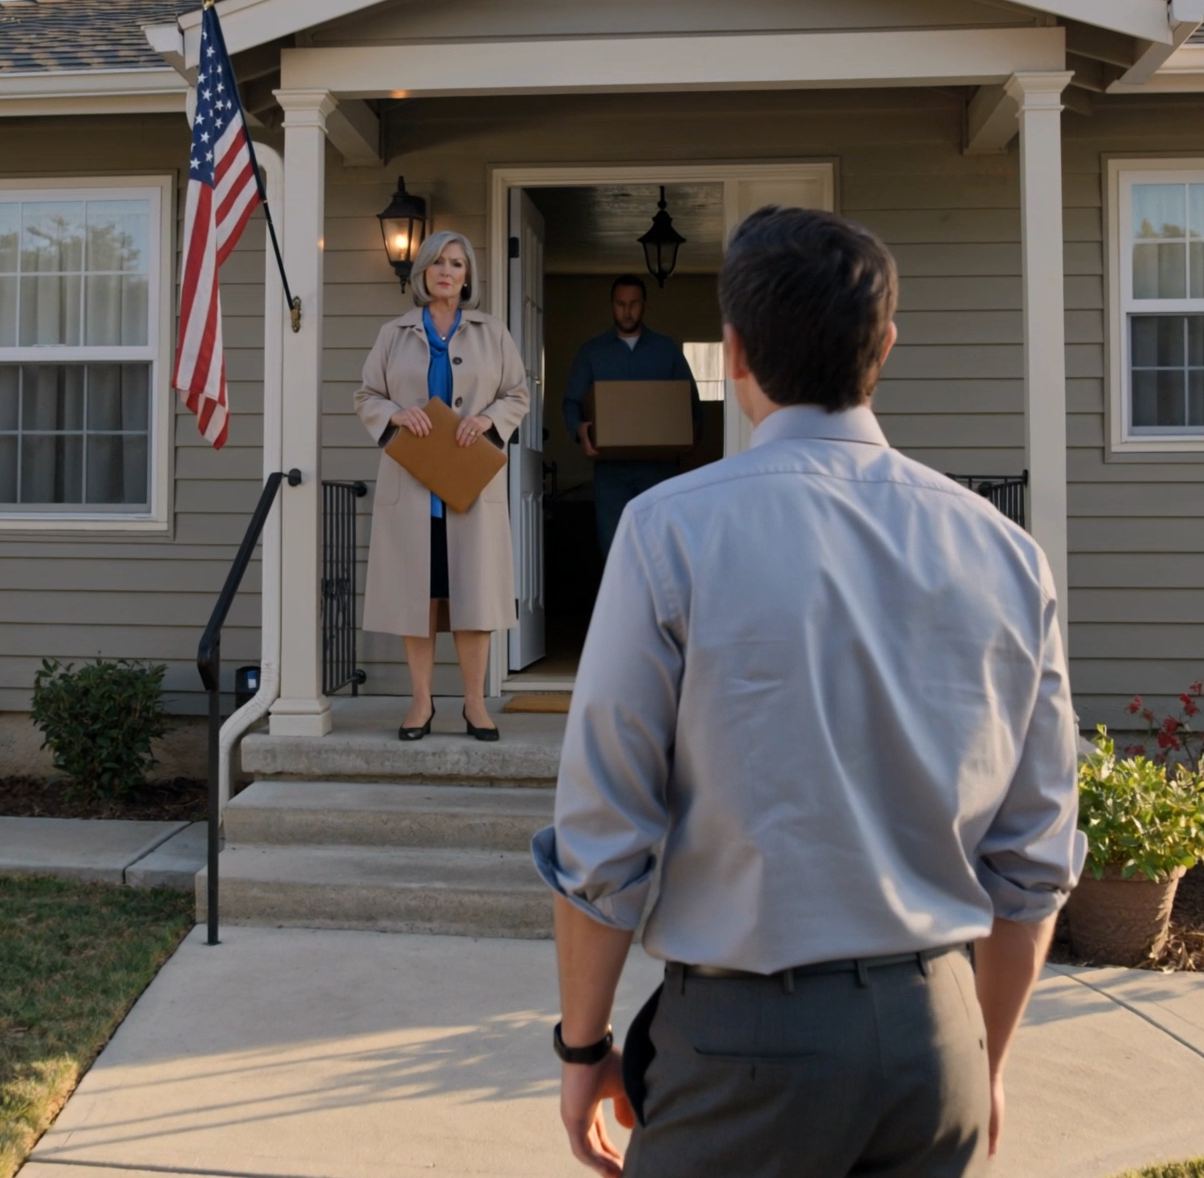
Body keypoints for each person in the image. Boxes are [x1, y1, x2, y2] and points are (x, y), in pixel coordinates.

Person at [533, 206, 1083, 1178]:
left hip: (746, 1053)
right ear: (887, 347)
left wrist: (583, 1050)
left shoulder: (670, 534)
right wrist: (983, 1060)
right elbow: (1033, 863)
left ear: (734, 352)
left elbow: (603, 839)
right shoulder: (1007, 553)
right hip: (940, 1036)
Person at [355, 230, 531, 744]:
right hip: (411, 490)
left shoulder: (492, 332)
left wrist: (490, 420)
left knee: (472, 599)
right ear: (423, 274)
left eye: (456, 263)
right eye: (437, 263)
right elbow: (367, 394)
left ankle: (476, 705)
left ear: (468, 274)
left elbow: (517, 391)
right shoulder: (394, 333)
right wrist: (396, 413)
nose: (447, 271)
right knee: (420, 599)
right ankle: (421, 703)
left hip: (470, 487)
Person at [561, 275, 700, 555]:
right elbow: (571, 403)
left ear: (644, 305)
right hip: (611, 471)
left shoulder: (666, 350)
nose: (627, 311)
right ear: (612, 305)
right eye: (620, 304)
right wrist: (581, 432)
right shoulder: (592, 352)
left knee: (660, 549)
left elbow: (690, 404)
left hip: (658, 469)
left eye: (634, 304)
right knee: (615, 550)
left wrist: (688, 441)